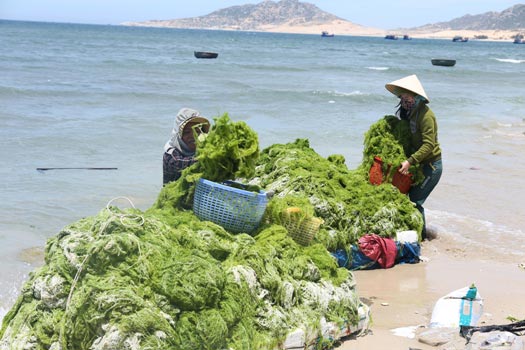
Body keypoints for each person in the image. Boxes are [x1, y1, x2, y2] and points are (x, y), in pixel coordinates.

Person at [385, 75, 442, 239]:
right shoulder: (411, 113)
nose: (404, 101)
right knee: (407, 197)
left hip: (432, 166)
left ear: (416, 97)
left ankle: (421, 238)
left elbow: (429, 145)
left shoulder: (426, 116)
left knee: (415, 201)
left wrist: (409, 162)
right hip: (421, 165)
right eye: (402, 98)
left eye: (407, 97)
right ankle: (418, 234)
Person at [163, 108, 210, 185]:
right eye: (187, 132)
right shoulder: (171, 154)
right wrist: (213, 157)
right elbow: (185, 163)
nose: (193, 136)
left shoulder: (199, 150)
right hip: (174, 195)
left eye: (197, 131)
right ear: (179, 134)